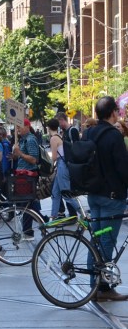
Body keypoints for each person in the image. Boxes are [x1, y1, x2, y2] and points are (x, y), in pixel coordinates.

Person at [87, 97, 128, 301]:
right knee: (106, 242)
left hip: (94, 196)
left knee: (96, 240)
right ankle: (103, 288)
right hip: (112, 198)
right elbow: (123, 168)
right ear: (113, 112)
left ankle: (94, 286)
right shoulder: (114, 136)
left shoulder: (90, 132)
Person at [11, 118, 42, 237]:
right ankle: (36, 224)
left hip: (29, 175)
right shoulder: (23, 140)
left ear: (27, 127)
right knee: (27, 203)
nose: (17, 129)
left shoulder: (30, 140)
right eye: (17, 127)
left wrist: (20, 154)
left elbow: (34, 159)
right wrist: (15, 156)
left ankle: (29, 229)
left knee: (27, 203)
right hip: (23, 174)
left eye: (20, 127)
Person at [48, 118, 79, 220]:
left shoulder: (53, 138)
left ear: (48, 128)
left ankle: (82, 212)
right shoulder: (59, 136)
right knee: (55, 193)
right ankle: (53, 216)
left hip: (61, 166)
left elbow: (53, 157)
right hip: (62, 166)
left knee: (65, 194)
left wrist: (49, 166)